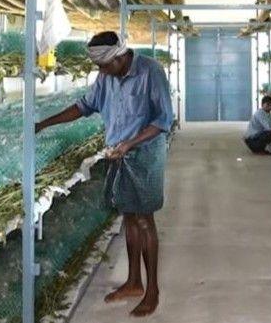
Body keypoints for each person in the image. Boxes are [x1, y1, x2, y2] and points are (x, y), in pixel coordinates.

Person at [35, 31, 173, 317]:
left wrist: (129, 144)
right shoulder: (106, 77)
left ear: (120, 57)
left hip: (145, 156)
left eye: (105, 66)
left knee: (145, 219)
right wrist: (44, 124)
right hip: (119, 155)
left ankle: (153, 291)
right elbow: (83, 106)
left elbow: (163, 120)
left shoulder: (151, 71)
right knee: (129, 216)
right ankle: (134, 282)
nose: (102, 72)